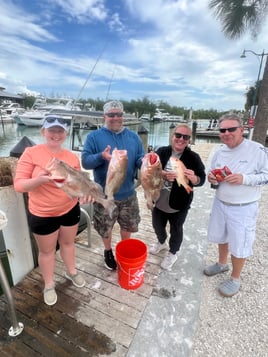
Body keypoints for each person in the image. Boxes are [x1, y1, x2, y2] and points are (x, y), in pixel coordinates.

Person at [14, 115, 85, 306]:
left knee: (69, 243)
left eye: (60, 131)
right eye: (51, 130)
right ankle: (49, 284)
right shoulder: (31, 153)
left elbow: (76, 184)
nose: (56, 134)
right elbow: (19, 185)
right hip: (42, 213)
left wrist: (83, 194)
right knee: (47, 252)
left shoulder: (72, 157)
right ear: (43, 131)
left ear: (66, 134)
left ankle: (72, 272)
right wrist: (40, 179)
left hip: (69, 209)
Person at [204, 114, 268, 297]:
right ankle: (222, 264)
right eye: (222, 130)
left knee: (240, 243)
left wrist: (244, 178)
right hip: (220, 202)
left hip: (243, 206)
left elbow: (267, 175)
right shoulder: (219, 151)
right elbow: (212, 173)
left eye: (231, 129)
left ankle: (235, 278)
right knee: (221, 236)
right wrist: (211, 177)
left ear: (242, 130)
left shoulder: (257, 150)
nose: (226, 133)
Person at [81, 100, 145, 270]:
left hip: (128, 194)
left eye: (119, 114)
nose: (115, 117)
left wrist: (146, 162)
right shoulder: (93, 137)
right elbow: (86, 162)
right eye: (111, 115)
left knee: (128, 226)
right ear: (104, 116)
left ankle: (124, 249)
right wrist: (101, 156)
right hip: (104, 195)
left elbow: (139, 158)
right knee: (105, 228)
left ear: (123, 116)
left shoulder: (134, 137)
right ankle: (108, 251)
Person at [149, 124, 206, 270]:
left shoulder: (193, 157)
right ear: (172, 136)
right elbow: (149, 169)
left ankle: (173, 252)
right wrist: (162, 174)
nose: (181, 139)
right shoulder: (161, 151)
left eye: (185, 137)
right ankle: (161, 242)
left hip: (180, 203)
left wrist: (194, 179)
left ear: (189, 140)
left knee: (176, 229)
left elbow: (202, 179)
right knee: (157, 225)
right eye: (178, 135)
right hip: (158, 199)